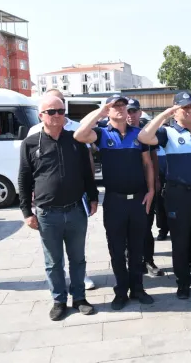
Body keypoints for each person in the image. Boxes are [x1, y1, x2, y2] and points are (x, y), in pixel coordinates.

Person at [18, 95, 98, 320]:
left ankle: (79, 297)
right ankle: (59, 300)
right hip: (47, 213)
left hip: (75, 210)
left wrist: (93, 198)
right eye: (51, 112)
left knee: (78, 258)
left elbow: (86, 173)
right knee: (53, 262)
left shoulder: (75, 140)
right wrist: (26, 212)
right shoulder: (31, 143)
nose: (57, 115)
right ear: (41, 115)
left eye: (61, 111)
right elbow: (24, 179)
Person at [73, 95, 155, 309]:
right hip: (114, 200)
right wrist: (101, 111)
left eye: (122, 105)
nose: (119, 109)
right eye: (114, 106)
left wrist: (152, 190)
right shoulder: (101, 133)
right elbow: (80, 133)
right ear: (108, 110)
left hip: (138, 199)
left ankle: (138, 288)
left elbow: (147, 164)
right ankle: (121, 291)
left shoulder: (139, 135)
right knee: (117, 250)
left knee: (137, 249)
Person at [138, 92, 191, 299]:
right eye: (184, 107)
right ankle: (183, 282)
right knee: (180, 241)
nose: (190, 110)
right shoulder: (167, 133)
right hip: (178, 195)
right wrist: (165, 114)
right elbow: (144, 137)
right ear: (175, 110)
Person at [124, 98, 165, 277]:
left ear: (140, 113)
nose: (130, 115)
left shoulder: (145, 132)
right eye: (128, 111)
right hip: (124, 188)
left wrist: (155, 180)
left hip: (144, 187)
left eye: (134, 111)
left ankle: (148, 260)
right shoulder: (115, 130)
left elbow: (153, 156)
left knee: (146, 226)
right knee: (125, 228)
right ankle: (131, 261)